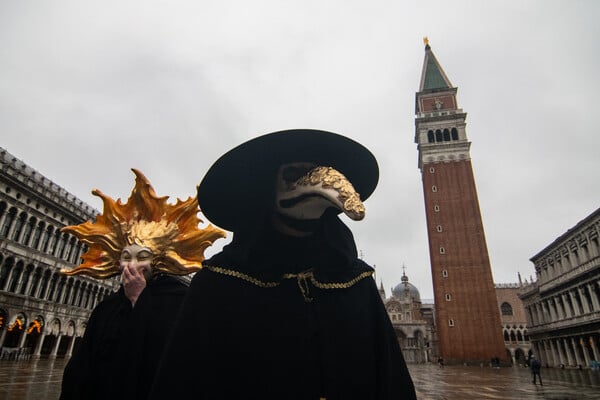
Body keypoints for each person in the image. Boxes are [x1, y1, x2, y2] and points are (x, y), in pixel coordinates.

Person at [149, 129, 417, 400]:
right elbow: (182, 380)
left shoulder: (355, 281)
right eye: (293, 175)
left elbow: (389, 379)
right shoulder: (220, 281)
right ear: (268, 188)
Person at [59, 169, 225, 400]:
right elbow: (82, 368)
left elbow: (178, 361)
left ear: (158, 260)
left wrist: (140, 300)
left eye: (142, 257)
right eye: (127, 257)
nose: (132, 265)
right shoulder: (106, 308)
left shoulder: (180, 301)